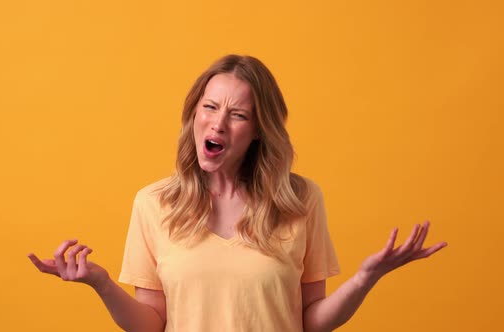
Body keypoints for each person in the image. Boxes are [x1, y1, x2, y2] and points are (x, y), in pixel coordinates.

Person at [28, 54, 447, 332]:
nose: (218, 124)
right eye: (209, 107)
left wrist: (364, 279)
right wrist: (100, 283)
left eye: (238, 114)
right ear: (194, 113)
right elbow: (152, 324)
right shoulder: (154, 203)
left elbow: (310, 321)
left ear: (259, 130)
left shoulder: (300, 201)